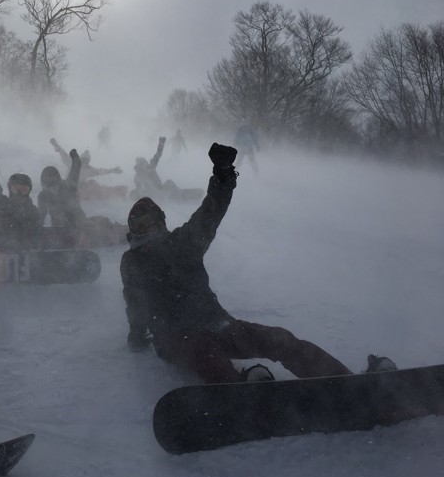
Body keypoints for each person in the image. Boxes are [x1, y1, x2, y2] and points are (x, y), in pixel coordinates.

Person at [120, 142, 360, 383]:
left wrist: (222, 176)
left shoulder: (183, 243)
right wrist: (138, 335)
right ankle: (241, 393)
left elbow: (210, 212)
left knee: (279, 339)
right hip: (175, 337)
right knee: (206, 352)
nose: (145, 230)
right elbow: (134, 300)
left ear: (160, 223)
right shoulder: (133, 261)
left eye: (149, 223)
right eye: (138, 226)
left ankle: (345, 381)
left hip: (218, 323)